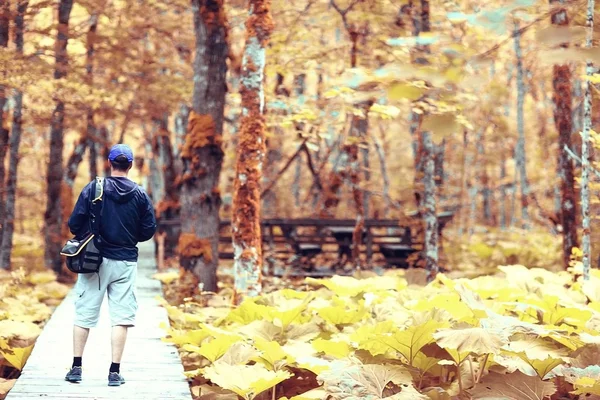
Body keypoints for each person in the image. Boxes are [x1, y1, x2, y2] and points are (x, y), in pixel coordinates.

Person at [64, 143, 157, 386]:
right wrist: (128, 237)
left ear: (109, 163)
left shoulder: (94, 188)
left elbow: (75, 223)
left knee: (84, 314)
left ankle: (76, 368)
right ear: (131, 165)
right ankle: (114, 372)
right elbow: (149, 230)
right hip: (125, 261)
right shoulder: (140, 194)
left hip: (93, 261)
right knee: (121, 318)